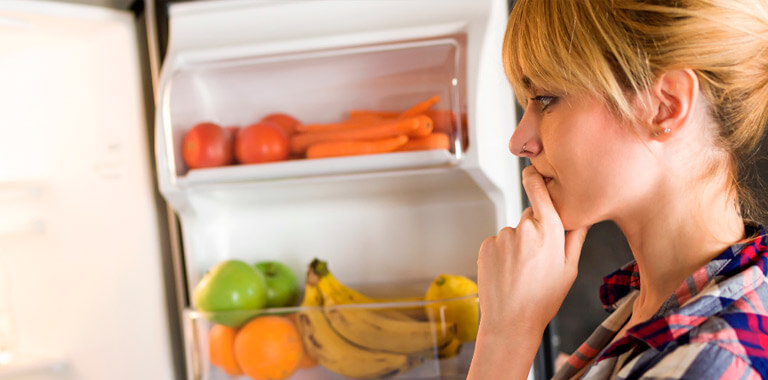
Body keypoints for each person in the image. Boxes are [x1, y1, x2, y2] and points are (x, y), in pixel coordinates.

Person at [467, 0, 768, 379]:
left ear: (664, 106)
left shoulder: (713, 365)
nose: (519, 141)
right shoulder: (652, 307)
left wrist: (506, 335)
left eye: (546, 100)